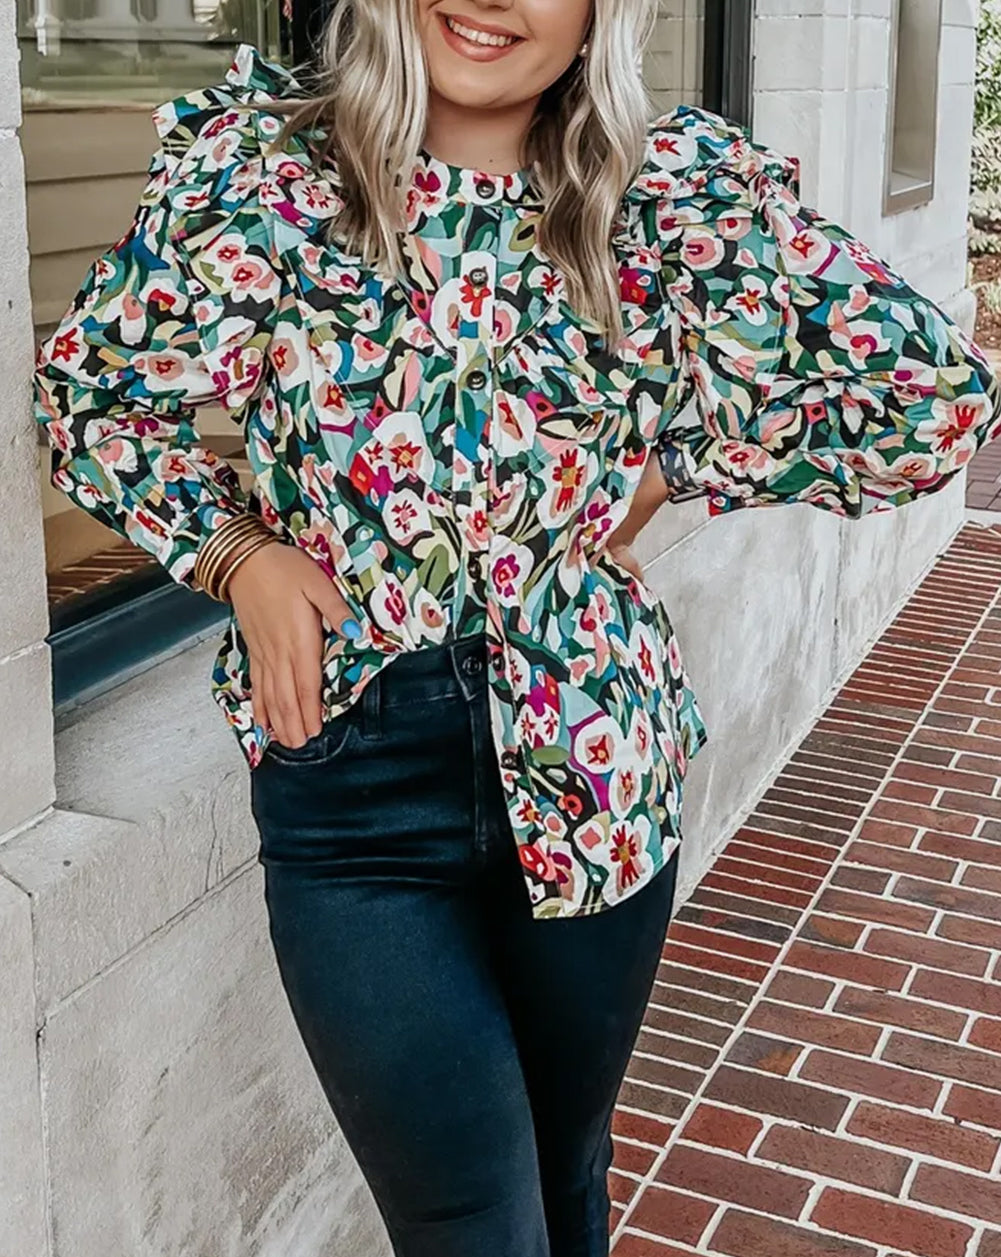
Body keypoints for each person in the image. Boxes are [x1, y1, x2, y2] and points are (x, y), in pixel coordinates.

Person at [33, 2, 999, 1255]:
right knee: (472, 1221)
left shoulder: (673, 189)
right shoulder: (266, 175)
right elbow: (91, 402)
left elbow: (927, 397)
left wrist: (680, 460)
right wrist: (241, 558)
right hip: (355, 790)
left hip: (600, 761)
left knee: (567, 1168)